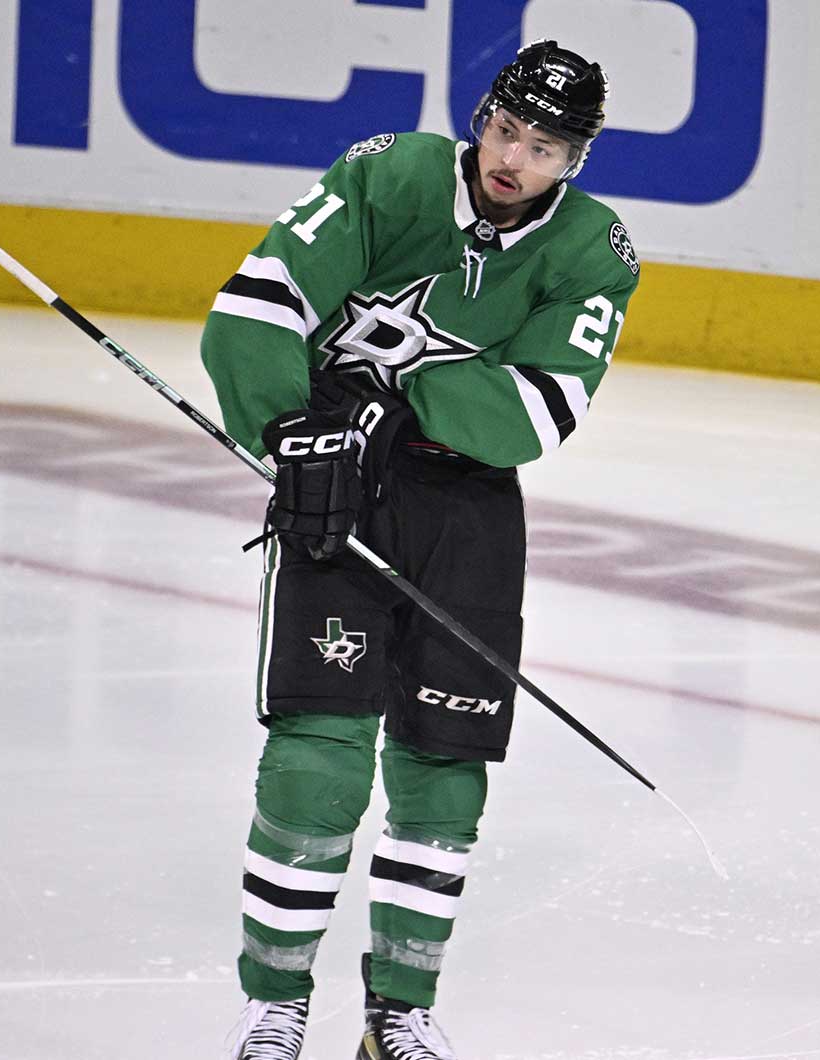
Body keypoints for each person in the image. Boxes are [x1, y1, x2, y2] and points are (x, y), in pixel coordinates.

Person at [202, 40, 639, 1060]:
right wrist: (285, 430)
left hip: (468, 514)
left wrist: (388, 397)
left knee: (446, 766)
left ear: (574, 160)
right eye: (506, 129)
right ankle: (274, 1005)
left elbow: (533, 413)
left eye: (544, 146)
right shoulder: (392, 175)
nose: (514, 159)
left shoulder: (594, 251)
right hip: (335, 483)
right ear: (481, 116)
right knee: (319, 752)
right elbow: (253, 312)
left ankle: (399, 1013)